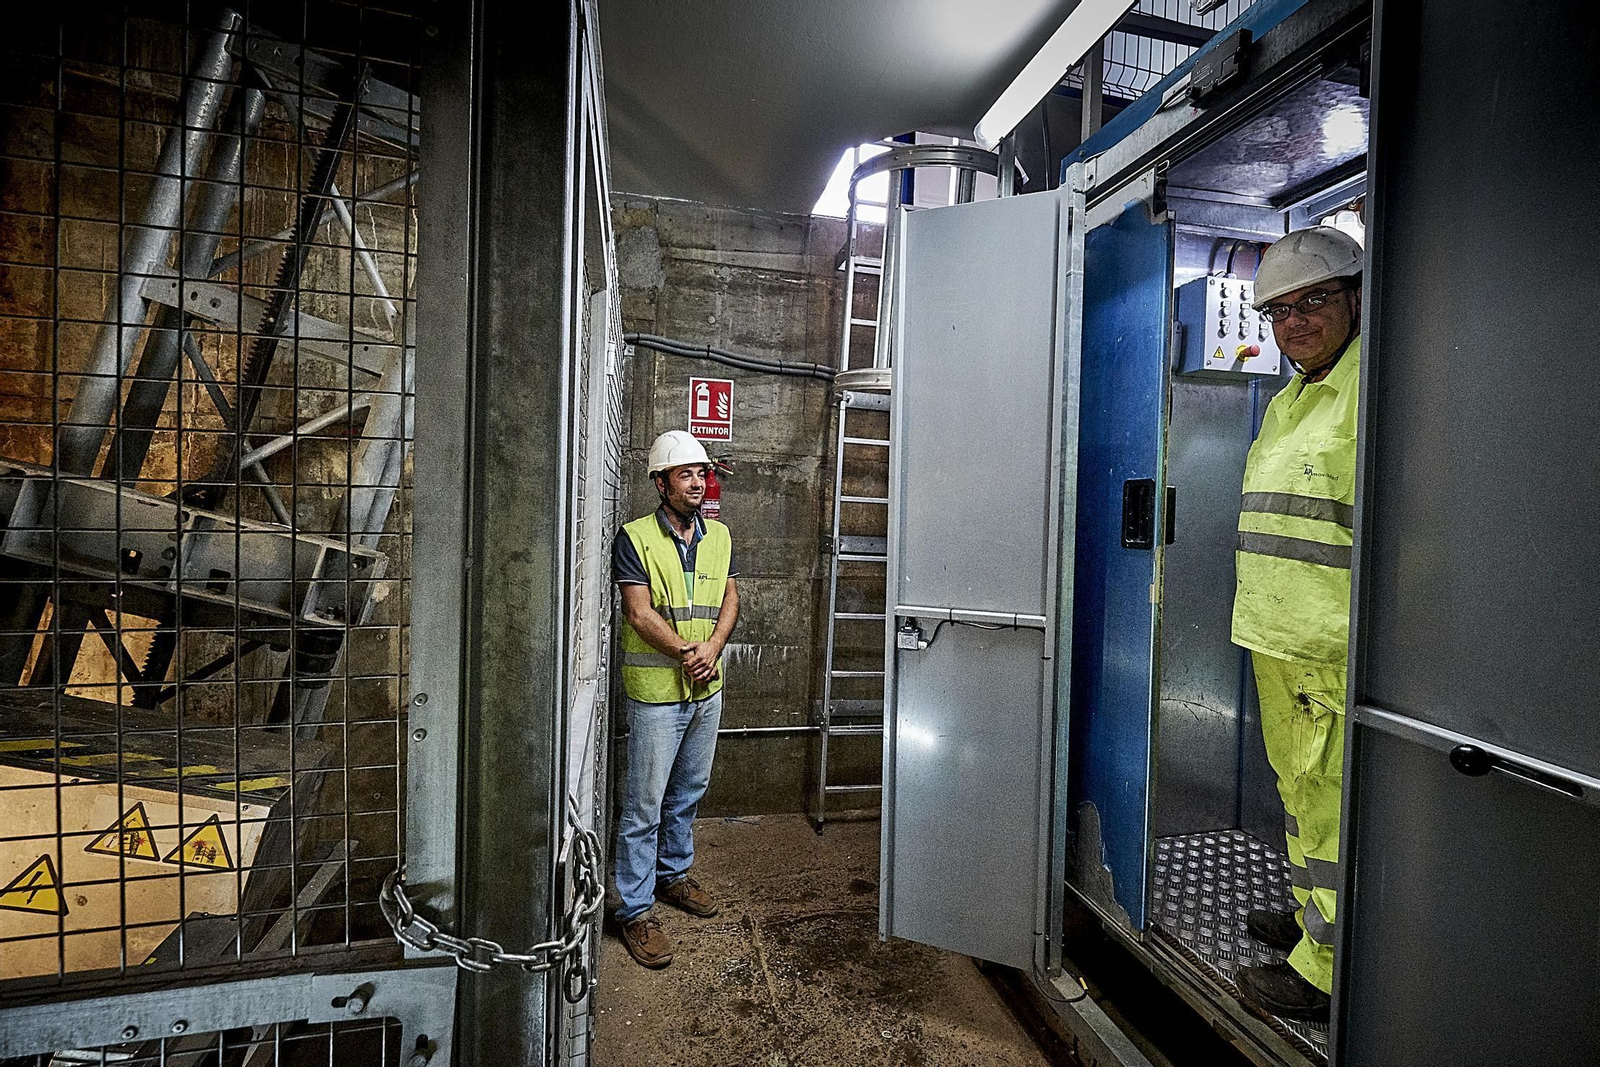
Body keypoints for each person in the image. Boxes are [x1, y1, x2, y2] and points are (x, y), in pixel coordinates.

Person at [1231, 227, 1364, 1023]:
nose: (1295, 323)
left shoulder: (1369, 390)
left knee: (1331, 800)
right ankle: (1312, 918)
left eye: (1313, 301)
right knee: (1300, 794)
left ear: (1355, 294)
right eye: (1279, 311)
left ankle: (1327, 967)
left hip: (1331, 648)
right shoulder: (1289, 400)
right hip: (1277, 641)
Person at [611, 430, 740, 968]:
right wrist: (689, 650)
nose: (697, 482)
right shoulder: (634, 536)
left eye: (702, 473)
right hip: (659, 692)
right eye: (685, 473)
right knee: (643, 804)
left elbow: (731, 595)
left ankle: (674, 877)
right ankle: (636, 912)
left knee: (688, 791)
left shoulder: (721, 535)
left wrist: (711, 646)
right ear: (661, 482)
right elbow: (638, 613)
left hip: (706, 687)